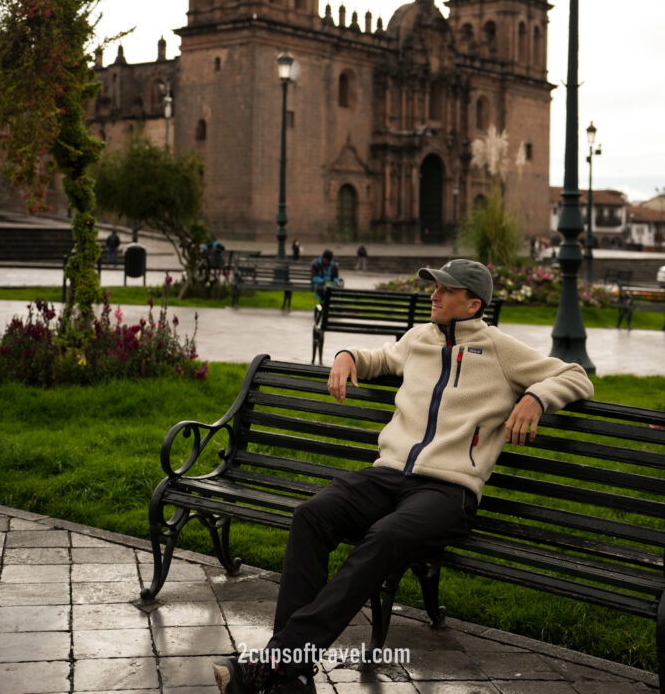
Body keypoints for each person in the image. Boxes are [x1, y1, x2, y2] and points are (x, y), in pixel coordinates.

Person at [212, 258, 593, 694]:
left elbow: (574, 374)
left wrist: (537, 397)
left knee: (384, 540)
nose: (433, 295)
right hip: (388, 476)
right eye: (434, 287)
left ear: (472, 304)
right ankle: (292, 675)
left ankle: (279, 661)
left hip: (447, 493)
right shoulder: (418, 339)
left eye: (445, 290)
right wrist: (345, 356)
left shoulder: (500, 349)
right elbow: (378, 359)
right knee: (311, 517)